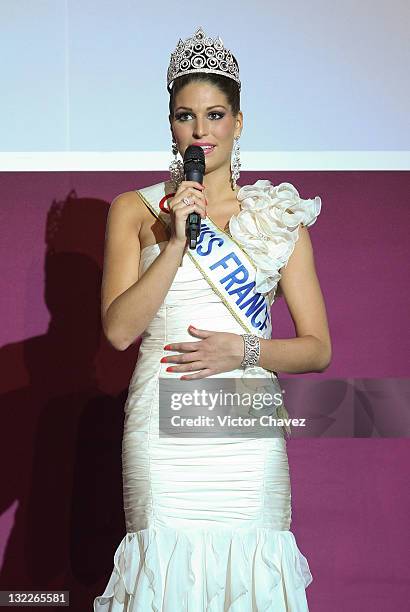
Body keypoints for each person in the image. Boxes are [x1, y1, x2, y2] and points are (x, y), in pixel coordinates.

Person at [94, 26, 331, 612]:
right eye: (185, 116)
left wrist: (243, 351)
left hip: (244, 429)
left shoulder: (279, 218)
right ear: (170, 124)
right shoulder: (136, 211)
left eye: (215, 115)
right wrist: (175, 242)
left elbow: (317, 347)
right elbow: (119, 331)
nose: (200, 132)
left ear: (238, 122)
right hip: (163, 427)